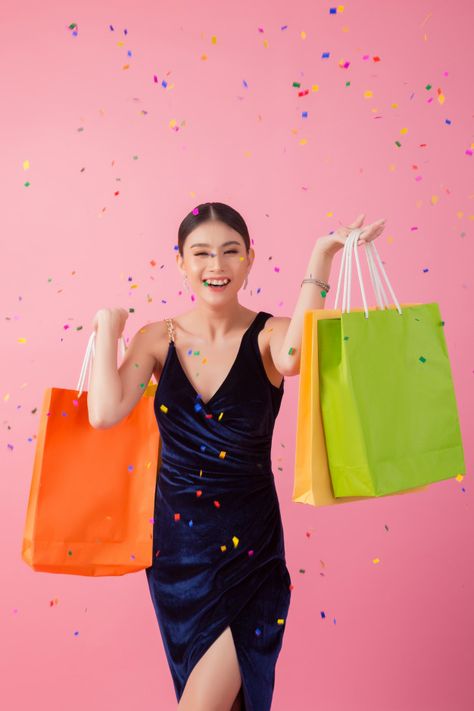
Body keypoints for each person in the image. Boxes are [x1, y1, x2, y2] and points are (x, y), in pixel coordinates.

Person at [88, 202, 386, 710]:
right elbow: (105, 412)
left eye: (230, 252)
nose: (216, 266)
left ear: (250, 259)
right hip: (177, 555)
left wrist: (322, 255)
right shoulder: (157, 339)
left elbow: (295, 359)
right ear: (180, 261)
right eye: (200, 253)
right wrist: (108, 331)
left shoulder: (272, 335)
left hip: (251, 550)